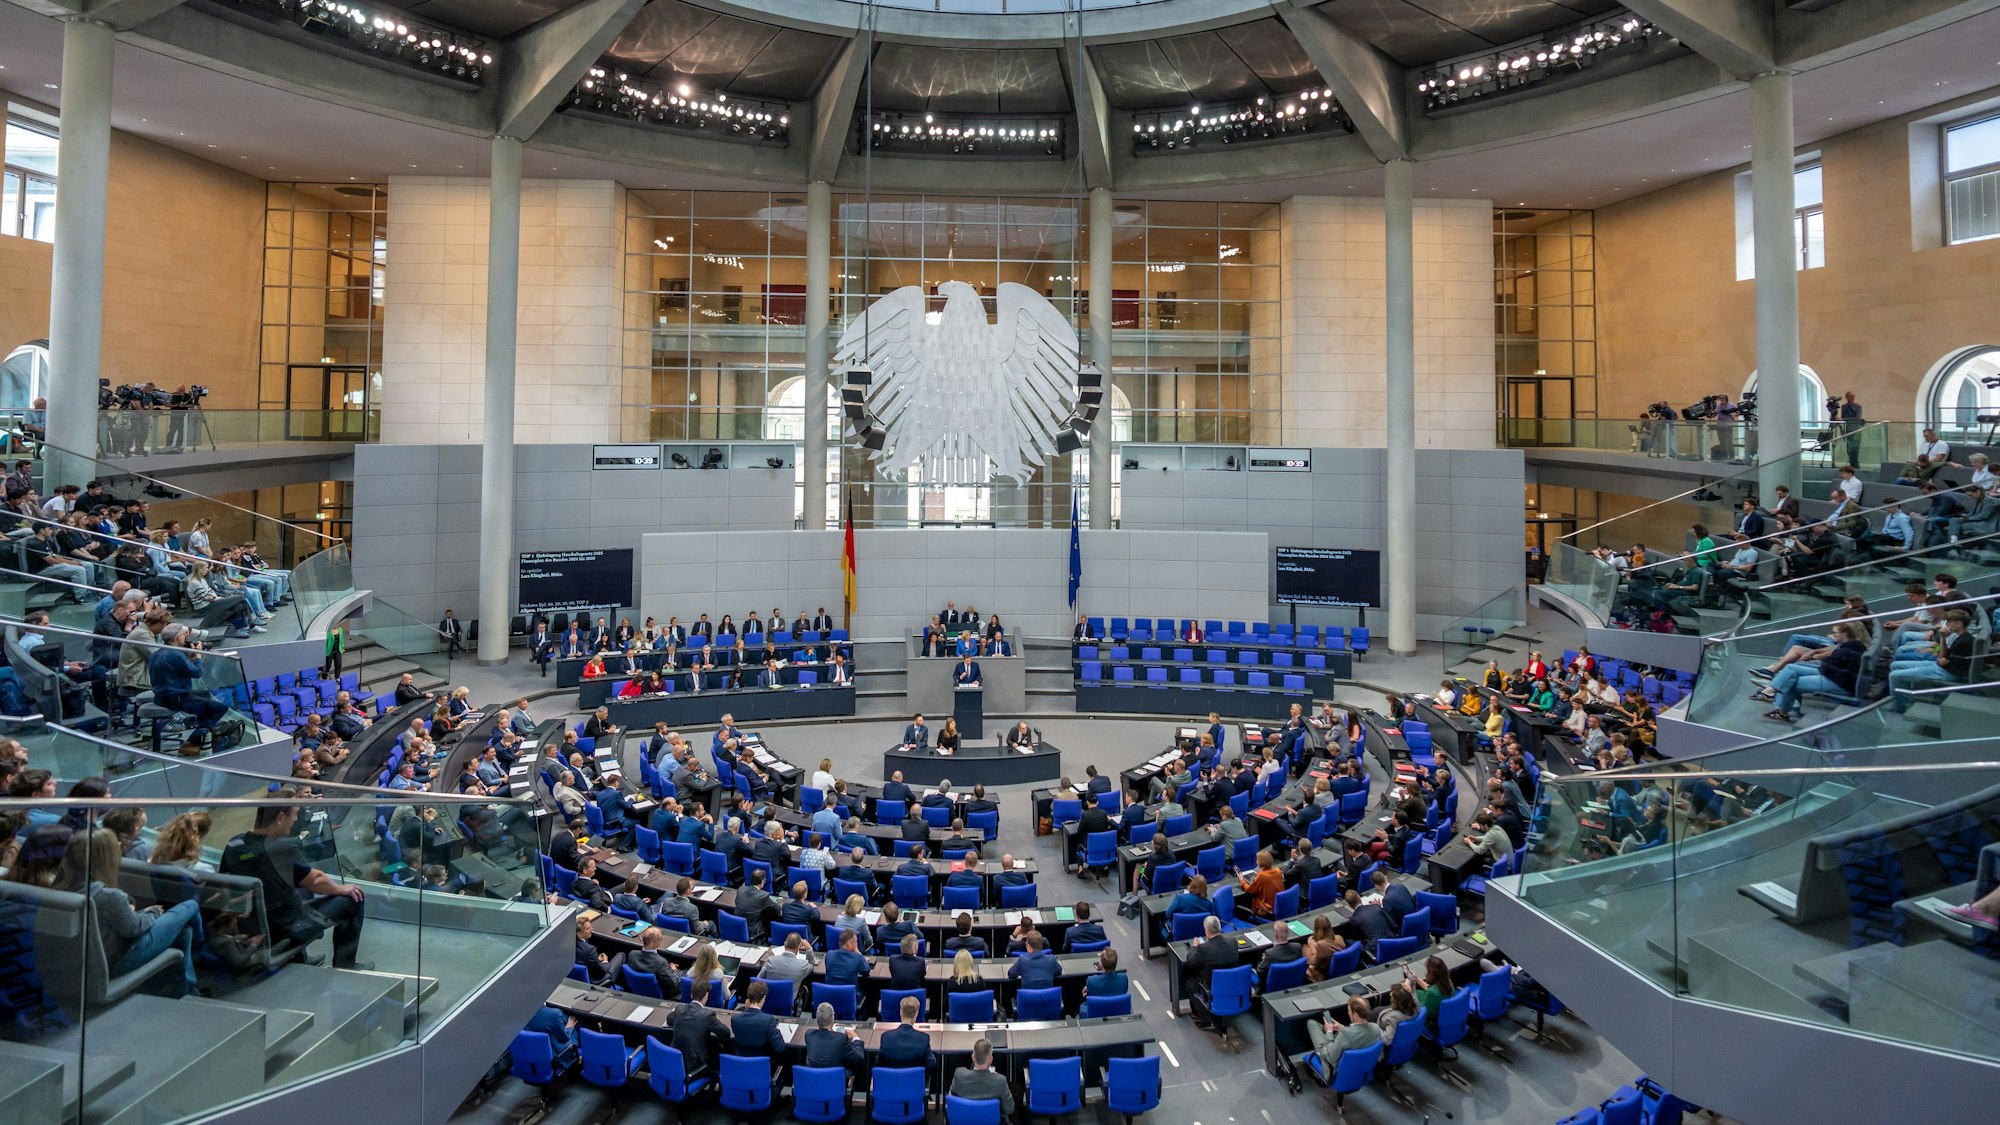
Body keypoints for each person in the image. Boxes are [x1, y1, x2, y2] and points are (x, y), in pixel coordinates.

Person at [219, 802, 368, 969]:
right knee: (354, 898)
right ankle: (346, 966)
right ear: (280, 817)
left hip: (252, 925)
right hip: (284, 929)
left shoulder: (235, 843)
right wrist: (341, 888)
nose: (296, 819)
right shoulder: (279, 849)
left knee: (299, 888)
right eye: (294, 814)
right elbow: (316, 880)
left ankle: (299, 958)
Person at [63, 827, 204, 995]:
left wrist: (137, 913)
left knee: (185, 931)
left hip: (82, 968)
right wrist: (152, 913)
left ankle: (189, 989)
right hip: (118, 960)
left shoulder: (63, 889)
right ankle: (202, 949)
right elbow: (134, 929)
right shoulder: (108, 896)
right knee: (190, 906)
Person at [1183, 914, 1242, 1031]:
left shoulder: (1203, 949)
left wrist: (1194, 947)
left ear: (1207, 930)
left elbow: (1190, 961)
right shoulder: (1233, 942)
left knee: (1190, 983)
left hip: (1212, 988)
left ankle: (1206, 1020)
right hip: (1232, 986)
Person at [1308, 995, 1383, 1076]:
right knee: (1327, 1030)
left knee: (1311, 1023)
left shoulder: (1345, 1035)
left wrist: (1329, 1032)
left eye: (1349, 1011)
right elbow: (1358, 1033)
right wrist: (1341, 1027)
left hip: (1333, 1072)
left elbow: (1330, 1057)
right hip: (1361, 1071)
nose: (1348, 1013)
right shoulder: (1376, 1028)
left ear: (1355, 1015)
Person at [949, 1038, 1016, 1117]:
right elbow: (1009, 1109)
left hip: (962, 1120)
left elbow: (950, 1102)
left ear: (973, 1057)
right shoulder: (1000, 1081)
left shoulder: (959, 1075)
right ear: (990, 1060)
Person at [803, 1002, 867, 1082]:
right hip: (833, 1082)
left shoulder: (809, 1035)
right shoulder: (841, 1039)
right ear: (833, 1018)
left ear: (817, 1018)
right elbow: (859, 1057)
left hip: (813, 1081)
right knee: (855, 1066)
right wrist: (855, 1037)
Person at [726, 979, 784, 1058]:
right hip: (762, 1063)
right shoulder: (768, 1020)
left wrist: (746, 1009)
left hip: (740, 1062)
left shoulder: (735, 1019)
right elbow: (780, 1048)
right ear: (764, 998)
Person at [878, 994, 935, 1072]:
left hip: (890, 1079)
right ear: (916, 1014)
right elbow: (931, 1066)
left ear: (900, 1012)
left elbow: (879, 1065)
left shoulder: (886, 1037)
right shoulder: (923, 1039)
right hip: (915, 1079)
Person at [1410, 954, 1458, 1029]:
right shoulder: (1448, 982)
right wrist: (1416, 979)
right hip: (1448, 1018)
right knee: (1418, 992)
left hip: (1432, 1023)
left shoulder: (1432, 993)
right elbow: (1432, 989)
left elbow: (1423, 1013)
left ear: (1431, 973)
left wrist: (1410, 991)